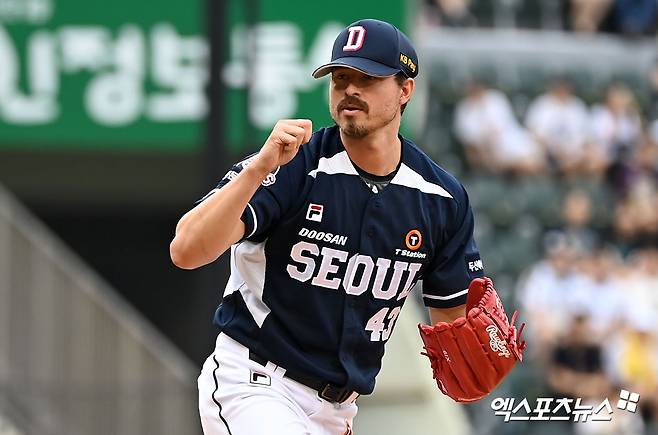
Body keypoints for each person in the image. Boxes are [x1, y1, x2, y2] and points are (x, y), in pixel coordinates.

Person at [171, 19, 521, 435]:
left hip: (340, 411)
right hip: (256, 385)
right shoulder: (294, 165)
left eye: (367, 78)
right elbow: (186, 250)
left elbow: (453, 319)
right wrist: (258, 168)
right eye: (341, 78)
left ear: (405, 89)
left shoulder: (440, 198)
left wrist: (483, 350)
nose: (350, 89)